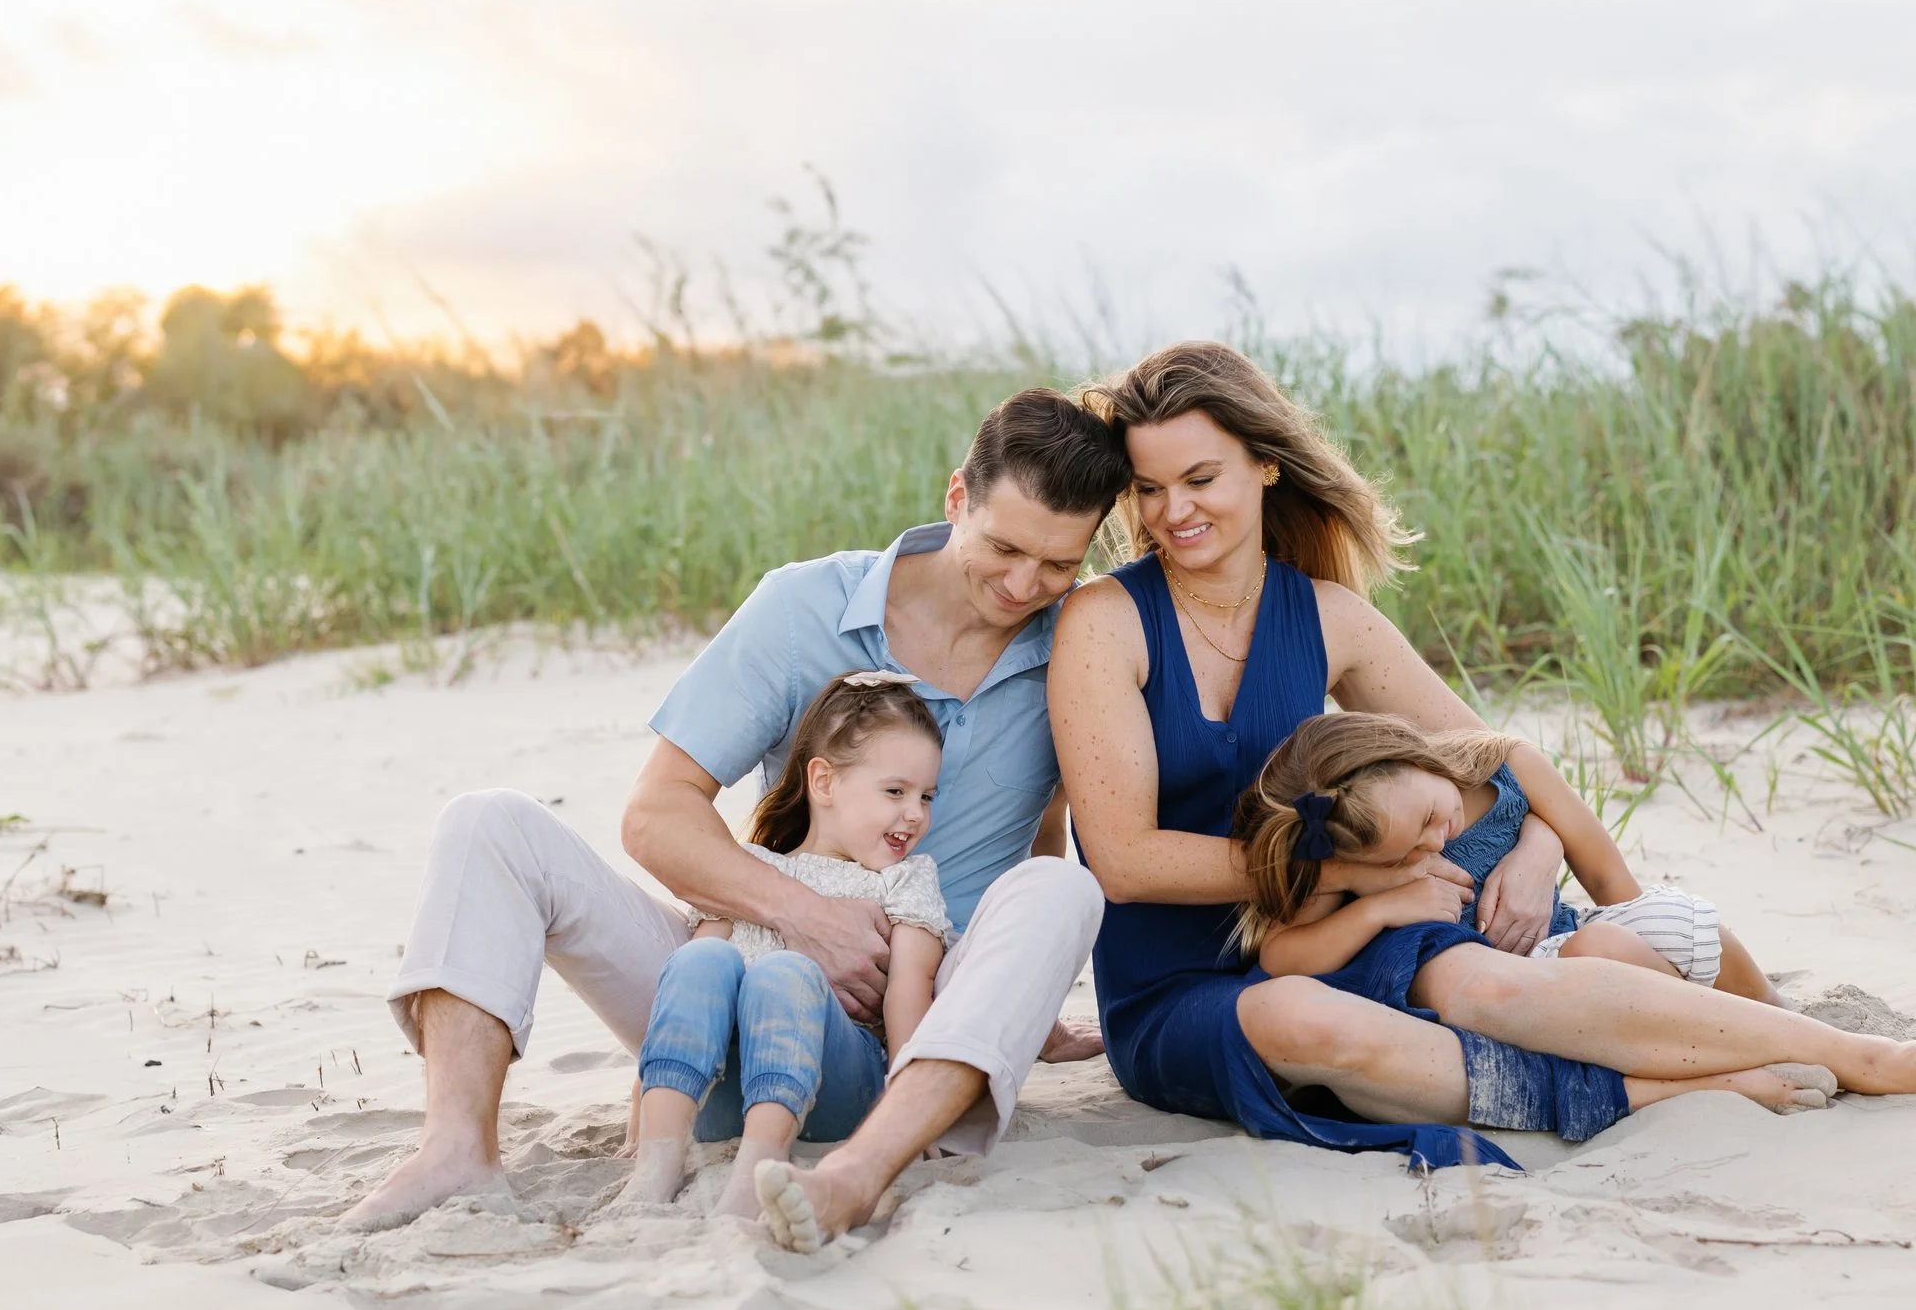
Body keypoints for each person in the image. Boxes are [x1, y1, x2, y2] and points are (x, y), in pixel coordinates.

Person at [1049, 340, 1916, 1170]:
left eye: (1199, 478)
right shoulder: (1108, 619)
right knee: (1308, 1023)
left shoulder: (1329, 618)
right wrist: (1353, 868)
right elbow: (1125, 860)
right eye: (1147, 489)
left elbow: (1487, 758)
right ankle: (1640, 1087)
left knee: (1486, 985)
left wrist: (1532, 850)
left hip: (1364, 924)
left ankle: (1862, 1056)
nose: (1172, 510)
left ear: (1264, 465)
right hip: (1189, 987)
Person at [344, 388, 1128, 1241]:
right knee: (486, 822)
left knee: (1060, 889)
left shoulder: (1073, 646)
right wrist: (807, 916)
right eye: (1004, 546)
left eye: (1058, 564)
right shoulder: (802, 611)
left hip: (909, 1033)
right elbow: (656, 813)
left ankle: (870, 1162)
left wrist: (1017, 999)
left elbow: (1040, 834)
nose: (1024, 585)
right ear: (955, 499)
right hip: (729, 980)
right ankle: (457, 1149)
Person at [1233, 710, 1835, 1128]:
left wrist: (1538, 845)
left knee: (1673, 921)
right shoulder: (1342, 841)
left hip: (1574, 932)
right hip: (1517, 997)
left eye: (1429, 818)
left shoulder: (1508, 766)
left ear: (1407, 751)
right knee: (1601, 947)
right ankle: (1731, 1051)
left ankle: (1776, 1020)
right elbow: (1282, 956)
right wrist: (1378, 905)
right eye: (1405, 855)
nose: (1433, 844)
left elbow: (1614, 885)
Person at [624, 672, 953, 1220]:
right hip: (722, 1095)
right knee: (701, 956)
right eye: (895, 792)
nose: (915, 814)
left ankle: (760, 1165)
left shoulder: (903, 882)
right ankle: (656, 1159)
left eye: (926, 796)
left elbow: (909, 994)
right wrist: (639, 1106)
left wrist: (910, 1114)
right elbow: (680, 996)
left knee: (784, 973)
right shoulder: (750, 873)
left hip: (833, 1092)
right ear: (824, 783)